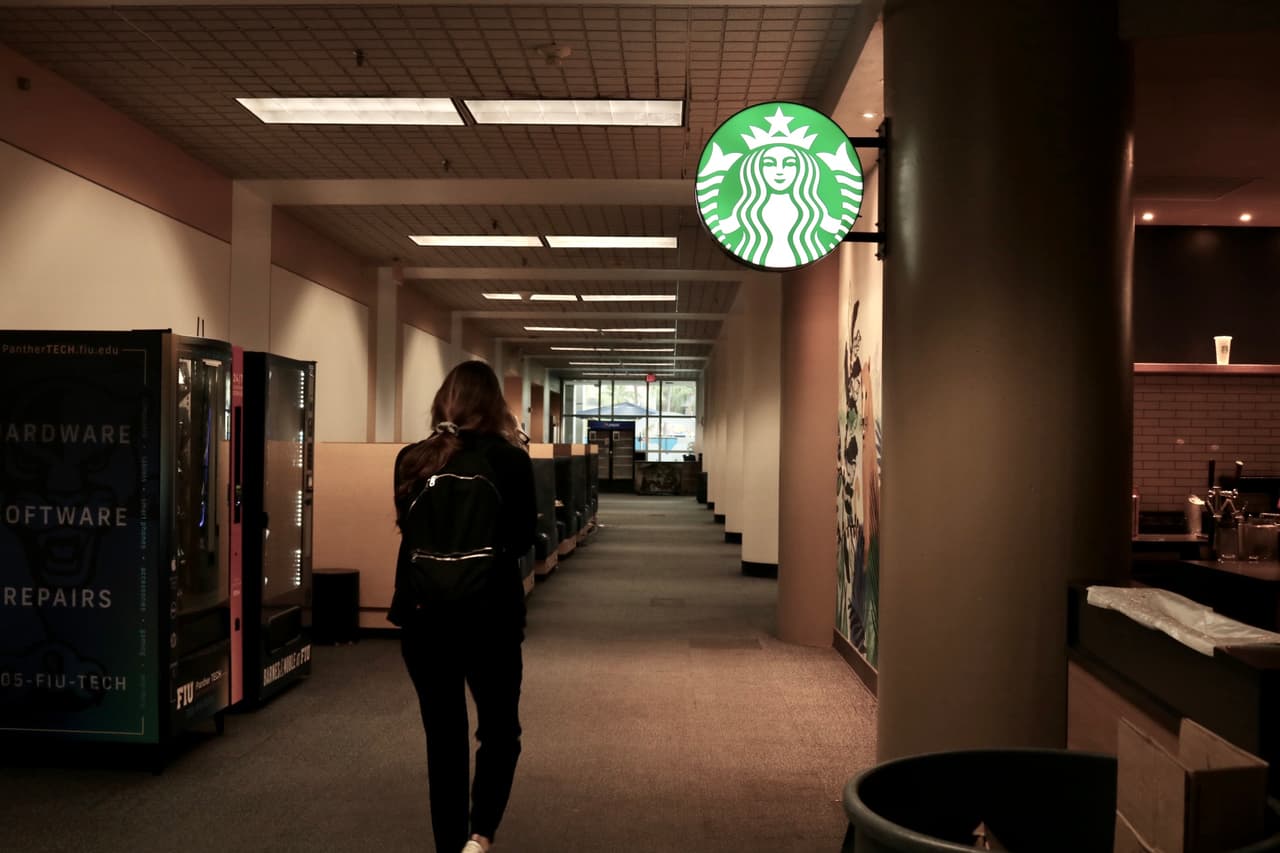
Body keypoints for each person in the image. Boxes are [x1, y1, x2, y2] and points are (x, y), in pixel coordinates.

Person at [390, 361, 537, 853]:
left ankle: (447, 844)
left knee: (444, 740)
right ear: (494, 405)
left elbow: (408, 533)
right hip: (488, 616)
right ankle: (479, 835)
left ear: (441, 402)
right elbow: (520, 540)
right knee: (499, 732)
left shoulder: (412, 459)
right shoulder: (511, 460)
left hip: (423, 617)